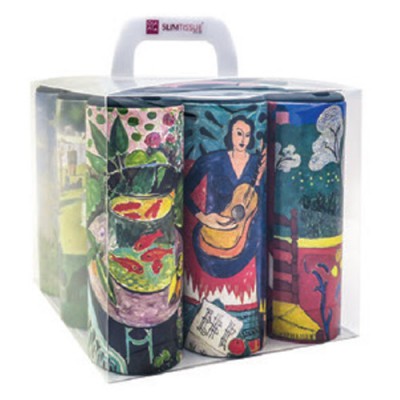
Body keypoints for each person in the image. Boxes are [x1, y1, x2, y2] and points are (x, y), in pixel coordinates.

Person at [184, 115, 266, 278]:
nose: (243, 140)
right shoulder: (213, 159)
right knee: (207, 249)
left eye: (247, 135)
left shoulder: (258, 163)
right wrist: (203, 217)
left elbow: (262, 202)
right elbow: (185, 190)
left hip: (247, 232)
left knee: (252, 240)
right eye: (239, 133)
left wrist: (259, 181)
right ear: (230, 134)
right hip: (213, 228)